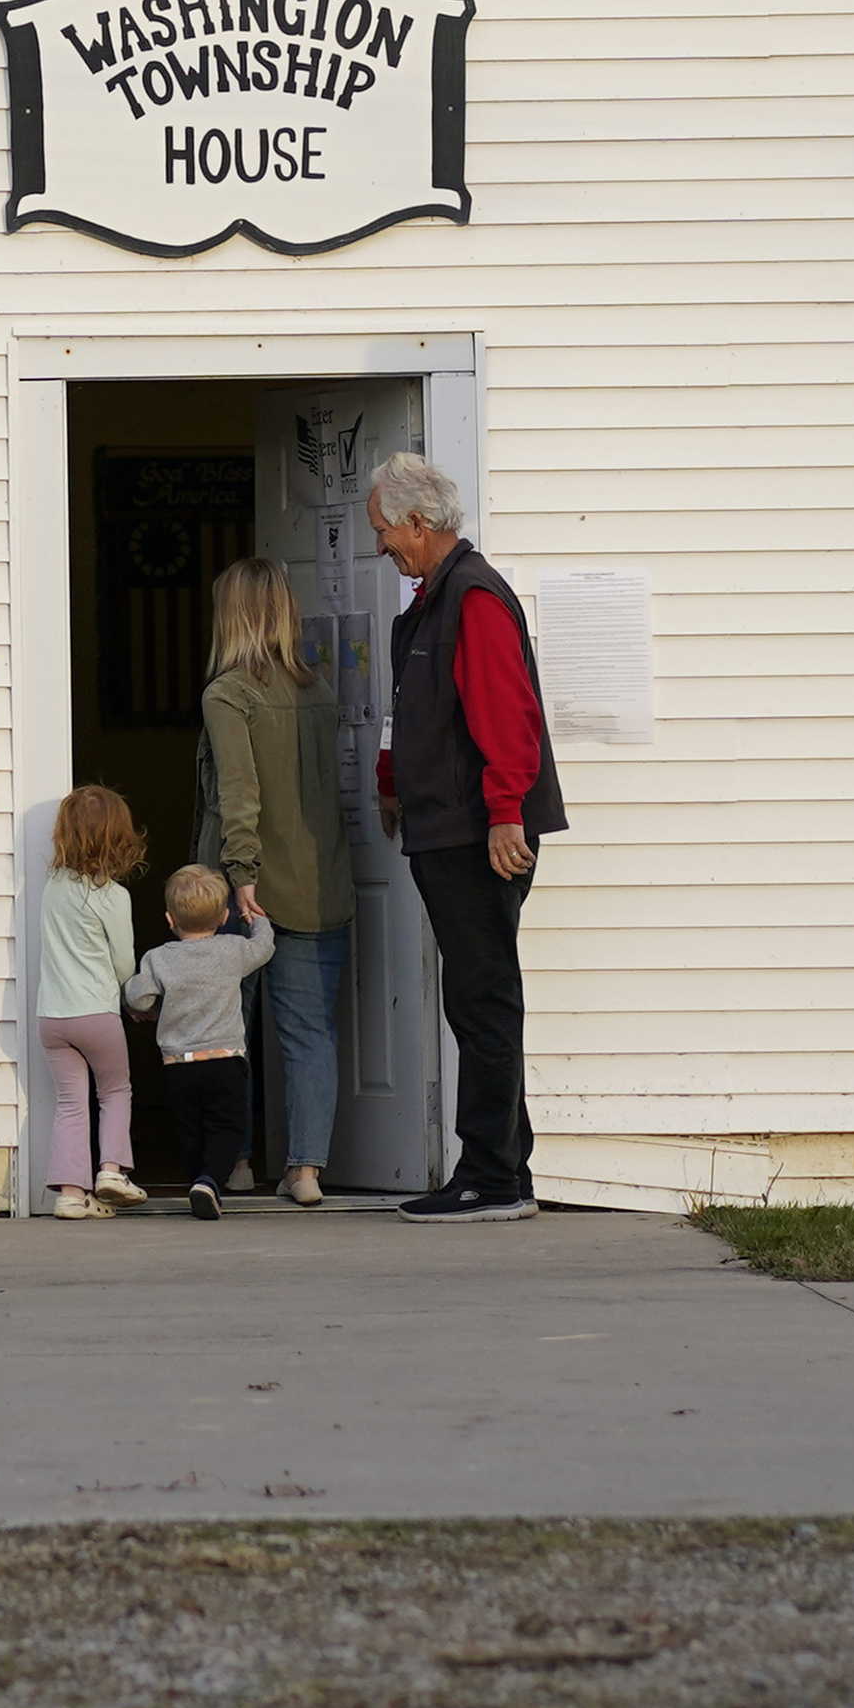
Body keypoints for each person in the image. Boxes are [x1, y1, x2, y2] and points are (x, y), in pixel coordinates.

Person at [369, 451, 559, 1221]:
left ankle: (492, 1179)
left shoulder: (473, 599)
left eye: (386, 530)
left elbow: (505, 715)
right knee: (477, 999)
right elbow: (410, 707)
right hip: (444, 826)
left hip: (477, 833)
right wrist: (391, 784)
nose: (381, 544)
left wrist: (506, 812)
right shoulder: (429, 602)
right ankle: (501, 1170)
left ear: (419, 524)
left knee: (483, 1002)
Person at [198, 554, 349, 1205]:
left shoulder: (227, 694)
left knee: (227, 1029)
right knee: (310, 1031)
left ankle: (234, 1162)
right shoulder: (319, 690)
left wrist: (239, 871)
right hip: (318, 883)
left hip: (244, 886)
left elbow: (239, 792)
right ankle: (306, 1170)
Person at [125, 862, 274, 1217]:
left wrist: (146, 1009)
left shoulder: (158, 958)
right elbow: (264, 949)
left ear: (169, 919)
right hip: (226, 1061)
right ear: (223, 917)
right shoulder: (233, 949)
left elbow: (138, 997)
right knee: (227, 1127)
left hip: (180, 1065)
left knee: (190, 1128)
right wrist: (258, 921)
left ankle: (197, 1180)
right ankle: (209, 1182)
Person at [36, 784, 147, 1216]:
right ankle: (111, 1171)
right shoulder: (113, 897)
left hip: (52, 1018)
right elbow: (123, 962)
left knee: (70, 1101)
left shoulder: (52, 887)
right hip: (96, 1013)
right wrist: (135, 999)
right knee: (116, 1090)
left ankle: (69, 1194)